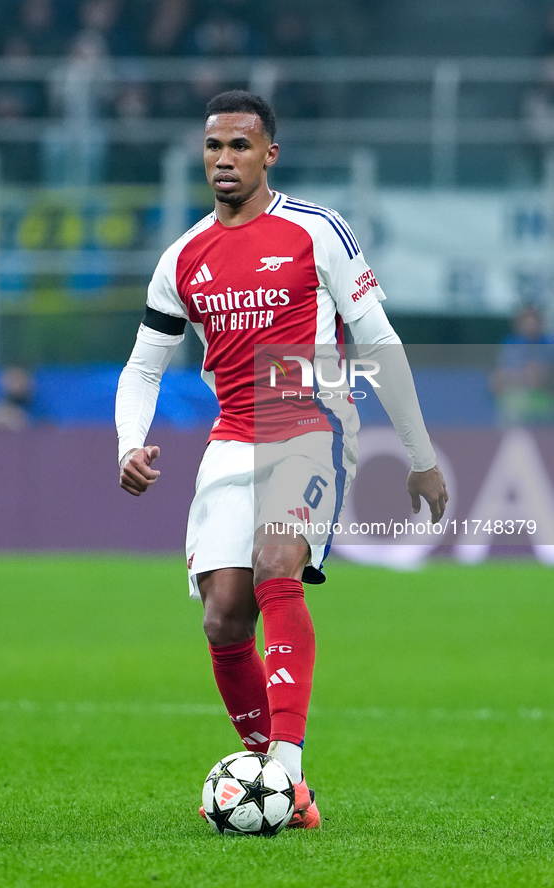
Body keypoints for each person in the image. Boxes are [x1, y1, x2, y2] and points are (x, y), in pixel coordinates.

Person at [115, 90, 448, 829]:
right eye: (213, 147)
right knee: (223, 618)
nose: (224, 160)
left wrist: (421, 457)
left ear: (270, 153)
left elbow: (379, 342)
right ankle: (268, 776)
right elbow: (142, 369)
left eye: (239, 146)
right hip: (233, 435)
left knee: (275, 562)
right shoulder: (182, 257)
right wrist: (128, 443)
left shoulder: (315, 231)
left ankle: (284, 779)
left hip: (313, 421)